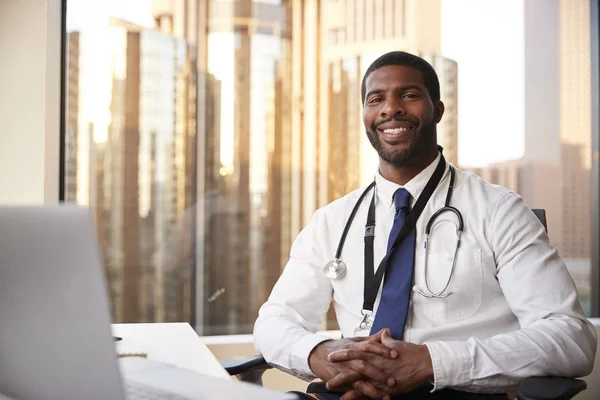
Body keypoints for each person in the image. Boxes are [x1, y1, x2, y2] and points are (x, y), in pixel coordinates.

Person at [253, 51, 597, 400]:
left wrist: (431, 362)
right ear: (365, 116)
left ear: (438, 110)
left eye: (409, 95)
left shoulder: (499, 211)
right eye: (376, 100)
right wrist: (323, 355)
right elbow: (273, 322)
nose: (390, 109)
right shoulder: (332, 221)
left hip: (455, 392)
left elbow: (571, 337)